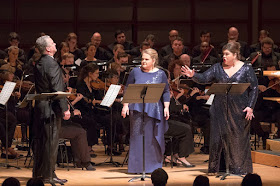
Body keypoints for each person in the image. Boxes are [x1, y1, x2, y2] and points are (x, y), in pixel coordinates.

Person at [181, 41, 258, 175]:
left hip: (239, 110)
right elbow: (204, 78)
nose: (224, 57)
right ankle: (217, 168)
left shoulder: (246, 68)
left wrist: (250, 107)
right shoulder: (217, 67)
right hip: (219, 110)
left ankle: (238, 169)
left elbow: (254, 88)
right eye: (223, 54)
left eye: (227, 54)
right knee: (217, 138)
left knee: (238, 139)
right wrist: (193, 75)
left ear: (235, 55)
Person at [121, 48, 170, 173]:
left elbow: (166, 91)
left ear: (153, 61)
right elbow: (127, 89)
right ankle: (137, 168)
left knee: (153, 138)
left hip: (154, 110)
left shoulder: (161, 74)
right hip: (137, 109)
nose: (143, 61)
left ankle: (153, 168)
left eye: (146, 59)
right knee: (137, 137)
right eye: (142, 59)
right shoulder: (135, 72)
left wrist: (166, 107)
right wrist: (125, 105)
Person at [33, 35, 70, 184]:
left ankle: (39, 173)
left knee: (42, 142)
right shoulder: (52, 63)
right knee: (51, 143)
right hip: (51, 109)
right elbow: (57, 89)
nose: (55, 44)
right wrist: (65, 108)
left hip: (40, 107)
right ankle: (49, 175)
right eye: (53, 43)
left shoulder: (39, 62)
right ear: (48, 48)